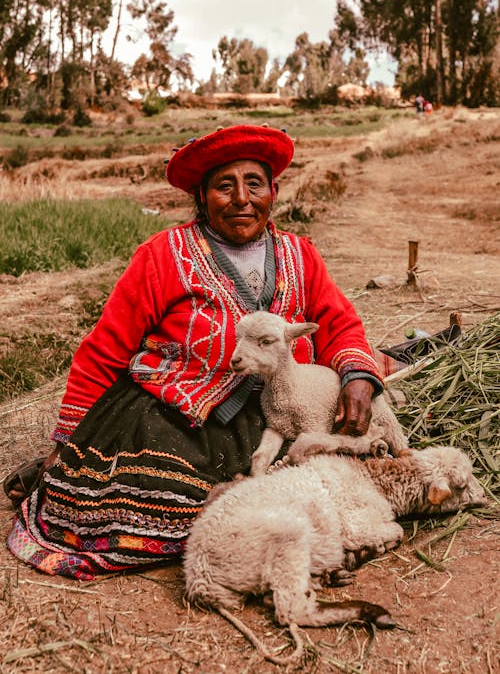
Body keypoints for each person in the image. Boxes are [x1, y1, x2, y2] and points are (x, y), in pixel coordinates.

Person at [5, 124, 384, 580]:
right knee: (147, 507)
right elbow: (106, 348)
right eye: (225, 186)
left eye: (254, 184)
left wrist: (357, 378)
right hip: (177, 413)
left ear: (274, 192)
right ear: (202, 196)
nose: (242, 198)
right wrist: (66, 442)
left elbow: (340, 323)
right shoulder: (164, 255)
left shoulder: (301, 256)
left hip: (276, 413)